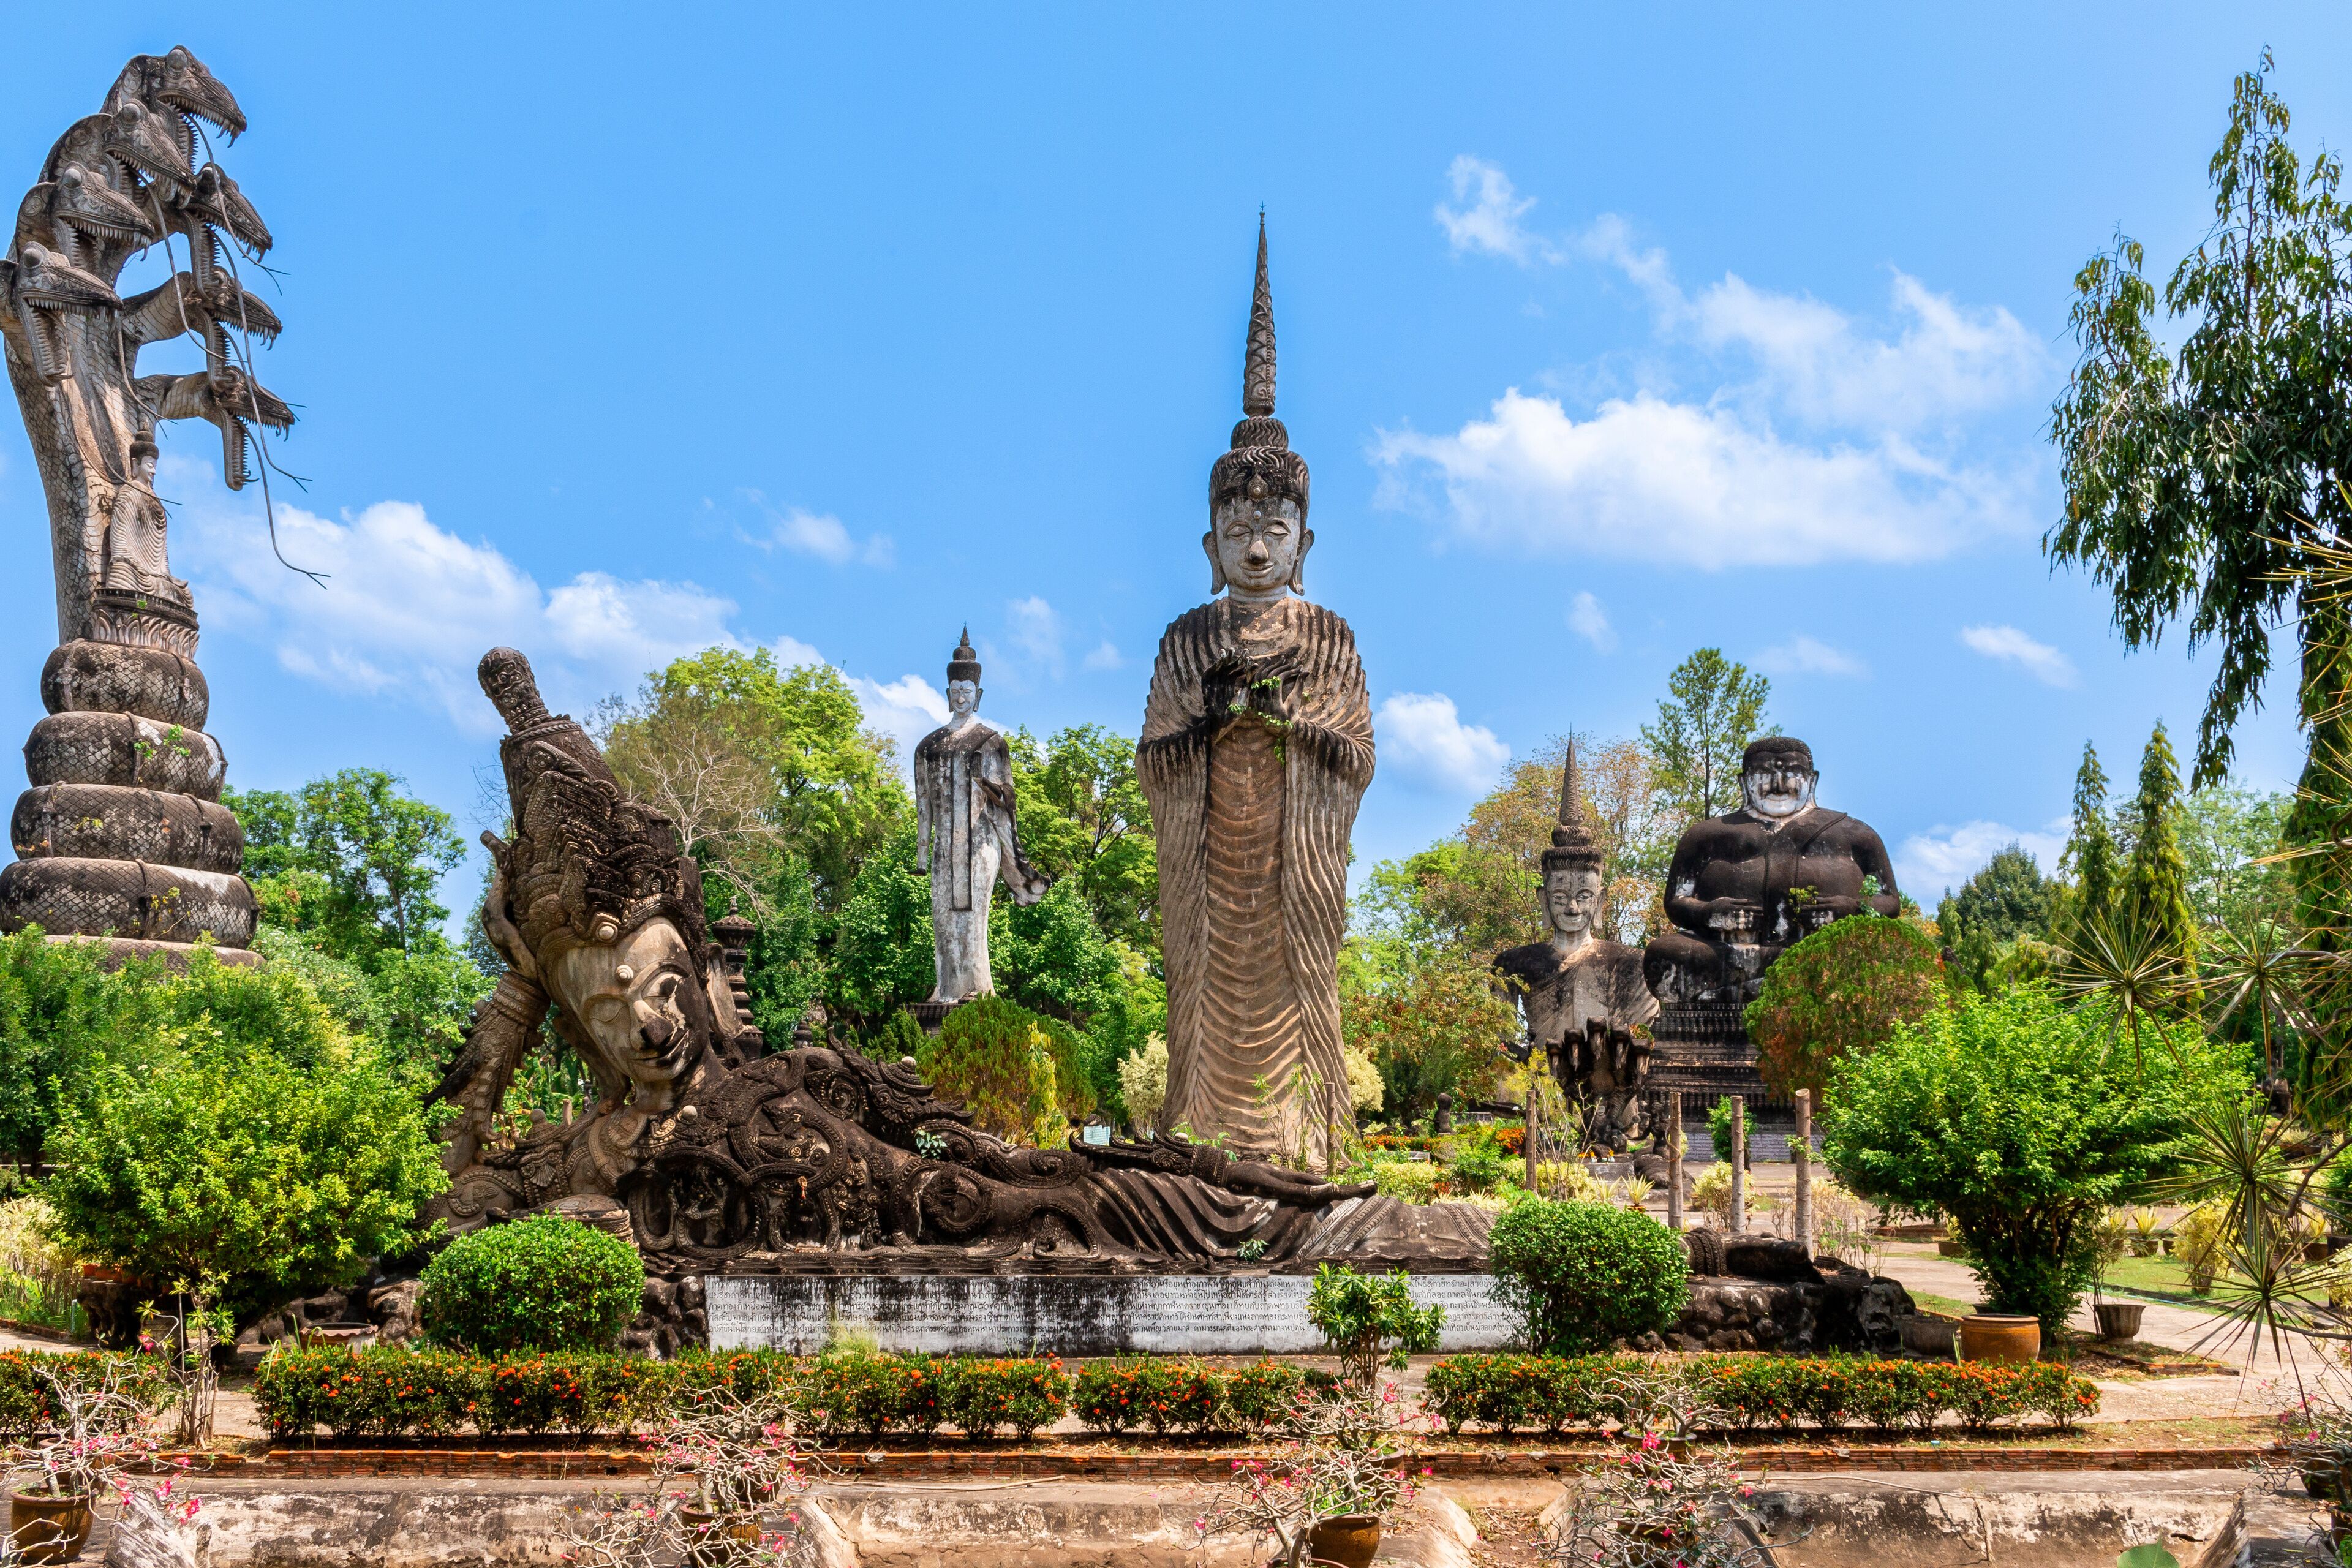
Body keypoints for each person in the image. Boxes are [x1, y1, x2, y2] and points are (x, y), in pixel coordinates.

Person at [1138, 219, 1373, 1164]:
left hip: (1294, 876)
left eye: (1277, 526)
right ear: (1211, 544)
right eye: (1240, 528)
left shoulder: (1328, 636)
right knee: (1201, 995)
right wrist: (1213, 718)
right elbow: (1153, 762)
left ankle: (1306, 1153)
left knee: (1299, 993)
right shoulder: (1188, 636)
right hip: (1210, 870)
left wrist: (1287, 724)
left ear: (1305, 543)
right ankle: (1196, 1145)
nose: (1259, 545)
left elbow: (1356, 760)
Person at [1644, 736, 1901, 1006]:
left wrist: (1851, 909)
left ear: (1812, 780)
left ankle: (1751, 991)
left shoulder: (1854, 833)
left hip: (1826, 952)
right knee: (1667, 954)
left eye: (1791, 773)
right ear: (1744, 782)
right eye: (1765, 774)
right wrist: (1709, 914)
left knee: (1887, 954)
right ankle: (1785, 987)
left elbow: (1890, 901)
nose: (1779, 784)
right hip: (1735, 954)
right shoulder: (1707, 835)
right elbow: (1676, 902)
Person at [913, 631, 1049, 1002]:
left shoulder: (992, 742)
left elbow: (1009, 798)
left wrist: (997, 792)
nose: (961, 697)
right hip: (945, 848)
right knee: (943, 920)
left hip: (981, 842)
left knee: (973, 918)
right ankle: (945, 989)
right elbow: (923, 805)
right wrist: (921, 856)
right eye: (955, 690)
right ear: (947, 693)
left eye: (967, 692)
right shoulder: (929, 747)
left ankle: (977, 991)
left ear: (979, 695)